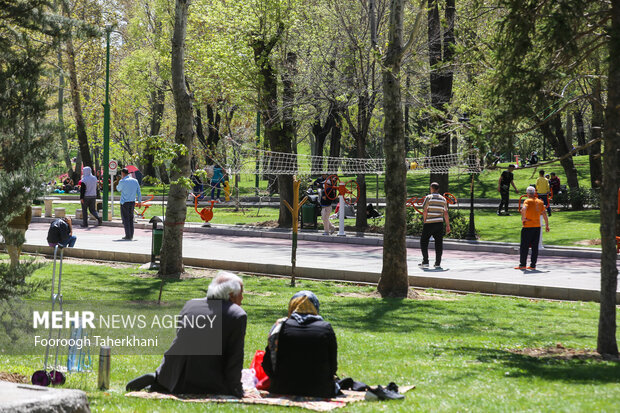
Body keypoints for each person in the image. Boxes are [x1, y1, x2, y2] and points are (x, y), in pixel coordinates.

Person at [126, 271, 247, 397]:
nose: (242, 298)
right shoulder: (237, 314)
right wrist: (237, 390)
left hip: (173, 374)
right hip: (206, 382)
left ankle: (159, 379)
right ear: (231, 294)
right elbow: (235, 357)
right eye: (241, 293)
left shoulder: (191, 305)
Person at [262, 291, 338, 398]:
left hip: (282, 388)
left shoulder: (280, 327)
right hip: (320, 390)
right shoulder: (326, 328)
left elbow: (267, 364)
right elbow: (333, 367)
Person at [515, 186, 550, 270]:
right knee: (535, 247)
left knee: (524, 246)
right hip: (537, 226)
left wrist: (523, 218)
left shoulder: (527, 201)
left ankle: (522, 264)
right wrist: (547, 225)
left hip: (527, 226)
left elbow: (524, 209)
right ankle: (533, 265)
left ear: (527, 193)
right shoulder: (540, 202)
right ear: (534, 193)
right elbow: (544, 213)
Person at [419, 182, 451, 269]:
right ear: (438, 189)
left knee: (424, 242)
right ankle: (437, 263)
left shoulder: (428, 198)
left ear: (431, 188)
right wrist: (448, 225)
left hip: (429, 223)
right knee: (438, 244)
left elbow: (425, 210)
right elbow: (445, 213)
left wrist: (425, 220)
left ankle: (425, 261)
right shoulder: (443, 199)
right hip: (439, 224)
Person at [117, 167, 141, 240]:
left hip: (124, 202)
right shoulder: (135, 181)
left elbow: (118, 189)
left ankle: (128, 235)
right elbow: (139, 192)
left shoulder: (122, 181)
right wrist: (139, 201)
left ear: (122, 173)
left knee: (125, 219)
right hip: (132, 202)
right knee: (131, 218)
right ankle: (131, 235)